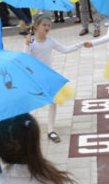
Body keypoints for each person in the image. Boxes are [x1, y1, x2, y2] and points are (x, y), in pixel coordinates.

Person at [24, 14, 83, 143]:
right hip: (34, 77)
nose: (47, 27)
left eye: (49, 25)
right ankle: (25, 125)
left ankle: (51, 129)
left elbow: (65, 50)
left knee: (53, 101)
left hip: (48, 76)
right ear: (36, 26)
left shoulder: (50, 40)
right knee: (32, 103)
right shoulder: (31, 42)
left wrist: (80, 44)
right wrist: (27, 45)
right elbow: (26, 59)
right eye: (44, 25)